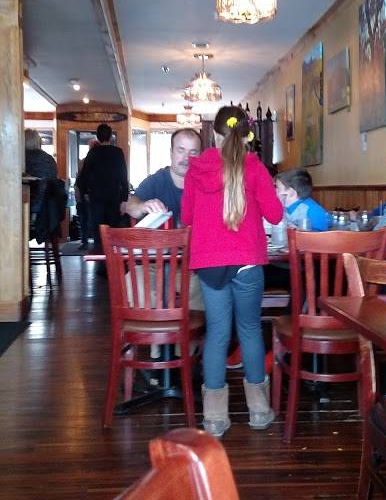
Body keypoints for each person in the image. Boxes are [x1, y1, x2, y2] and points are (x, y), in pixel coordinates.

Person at [182, 106, 283, 437]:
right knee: (250, 329)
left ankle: (214, 418)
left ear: (214, 133)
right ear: (246, 133)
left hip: (209, 263)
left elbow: (187, 217)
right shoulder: (254, 167)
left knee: (217, 333)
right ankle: (259, 410)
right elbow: (275, 215)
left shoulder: (197, 169)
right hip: (247, 261)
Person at [122, 128, 204, 314]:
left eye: (193, 152)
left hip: (190, 265)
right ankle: (153, 332)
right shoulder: (156, 181)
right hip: (151, 263)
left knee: (207, 284)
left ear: (200, 156)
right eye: (181, 150)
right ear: (171, 152)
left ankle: (188, 333)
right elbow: (130, 205)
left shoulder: (205, 184)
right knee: (136, 285)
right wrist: (142, 205)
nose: (186, 158)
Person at [75, 124, 128, 254]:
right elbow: (123, 176)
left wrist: (85, 193)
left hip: (96, 198)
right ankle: (113, 259)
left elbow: (83, 177)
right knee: (113, 230)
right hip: (114, 197)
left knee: (98, 231)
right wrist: (124, 199)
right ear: (110, 136)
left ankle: (100, 259)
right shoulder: (118, 152)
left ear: (98, 137)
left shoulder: (93, 153)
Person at [24, 129, 65, 247]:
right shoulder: (49, 159)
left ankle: (15, 251)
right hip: (50, 209)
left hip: (31, 206)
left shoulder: (22, 158)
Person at [274, 168, 331, 232]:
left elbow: (322, 235)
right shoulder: (282, 207)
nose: (274, 191)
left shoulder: (313, 210)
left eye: (277, 188)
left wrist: (299, 232)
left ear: (292, 192)